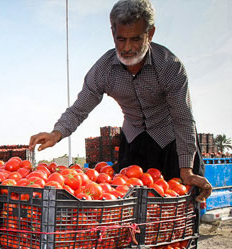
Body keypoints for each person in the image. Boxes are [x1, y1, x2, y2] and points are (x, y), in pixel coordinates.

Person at [29, 0, 212, 203]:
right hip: (134, 141)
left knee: (178, 205)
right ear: (112, 33)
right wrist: (57, 133)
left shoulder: (169, 67)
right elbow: (80, 108)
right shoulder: (104, 69)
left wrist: (185, 170)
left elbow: (183, 119)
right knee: (130, 208)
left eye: (135, 39)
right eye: (120, 39)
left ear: (150, 34)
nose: (127, 48)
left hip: (172, 142)